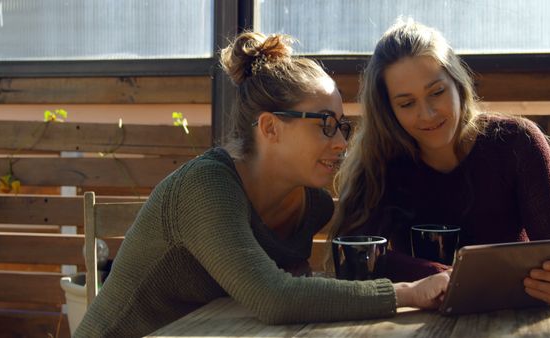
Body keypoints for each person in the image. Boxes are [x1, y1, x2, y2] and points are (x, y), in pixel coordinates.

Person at [74, 31, 450, 338]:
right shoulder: (205, 186)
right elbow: (274, 297)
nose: (340, 142)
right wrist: (408, 293)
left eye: (341, 126)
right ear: (270, 127)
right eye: (324, 124)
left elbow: (290, 288)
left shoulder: (313, 205)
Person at [330, 20, 550, 307]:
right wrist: (439, 277)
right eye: (406, 103)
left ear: (458, 83)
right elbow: (353, 251)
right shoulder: (381, 158)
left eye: (436, 92)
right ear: (388, 110)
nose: (427, 114)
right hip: (420, 319)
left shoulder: (517, 141)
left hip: (514, 312)